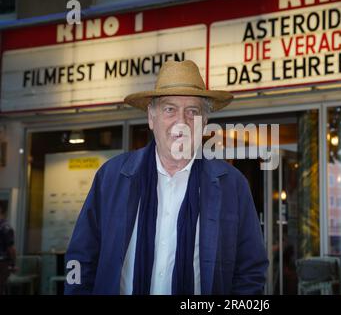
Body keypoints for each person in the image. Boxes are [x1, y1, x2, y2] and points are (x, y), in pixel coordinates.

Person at [65, 60, 269, 295]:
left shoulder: (232, 185)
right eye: (169, 109)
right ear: (151, 118)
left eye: (192, 111)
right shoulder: (111, 178)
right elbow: (81, 257)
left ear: (204, 123)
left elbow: (251, 271)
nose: (181, 122)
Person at [0, 203, 16, 295]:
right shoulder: (5, 227)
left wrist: (12, 264)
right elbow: (11, 248)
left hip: (2, 263)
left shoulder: (5, 227)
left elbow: (11, 248)